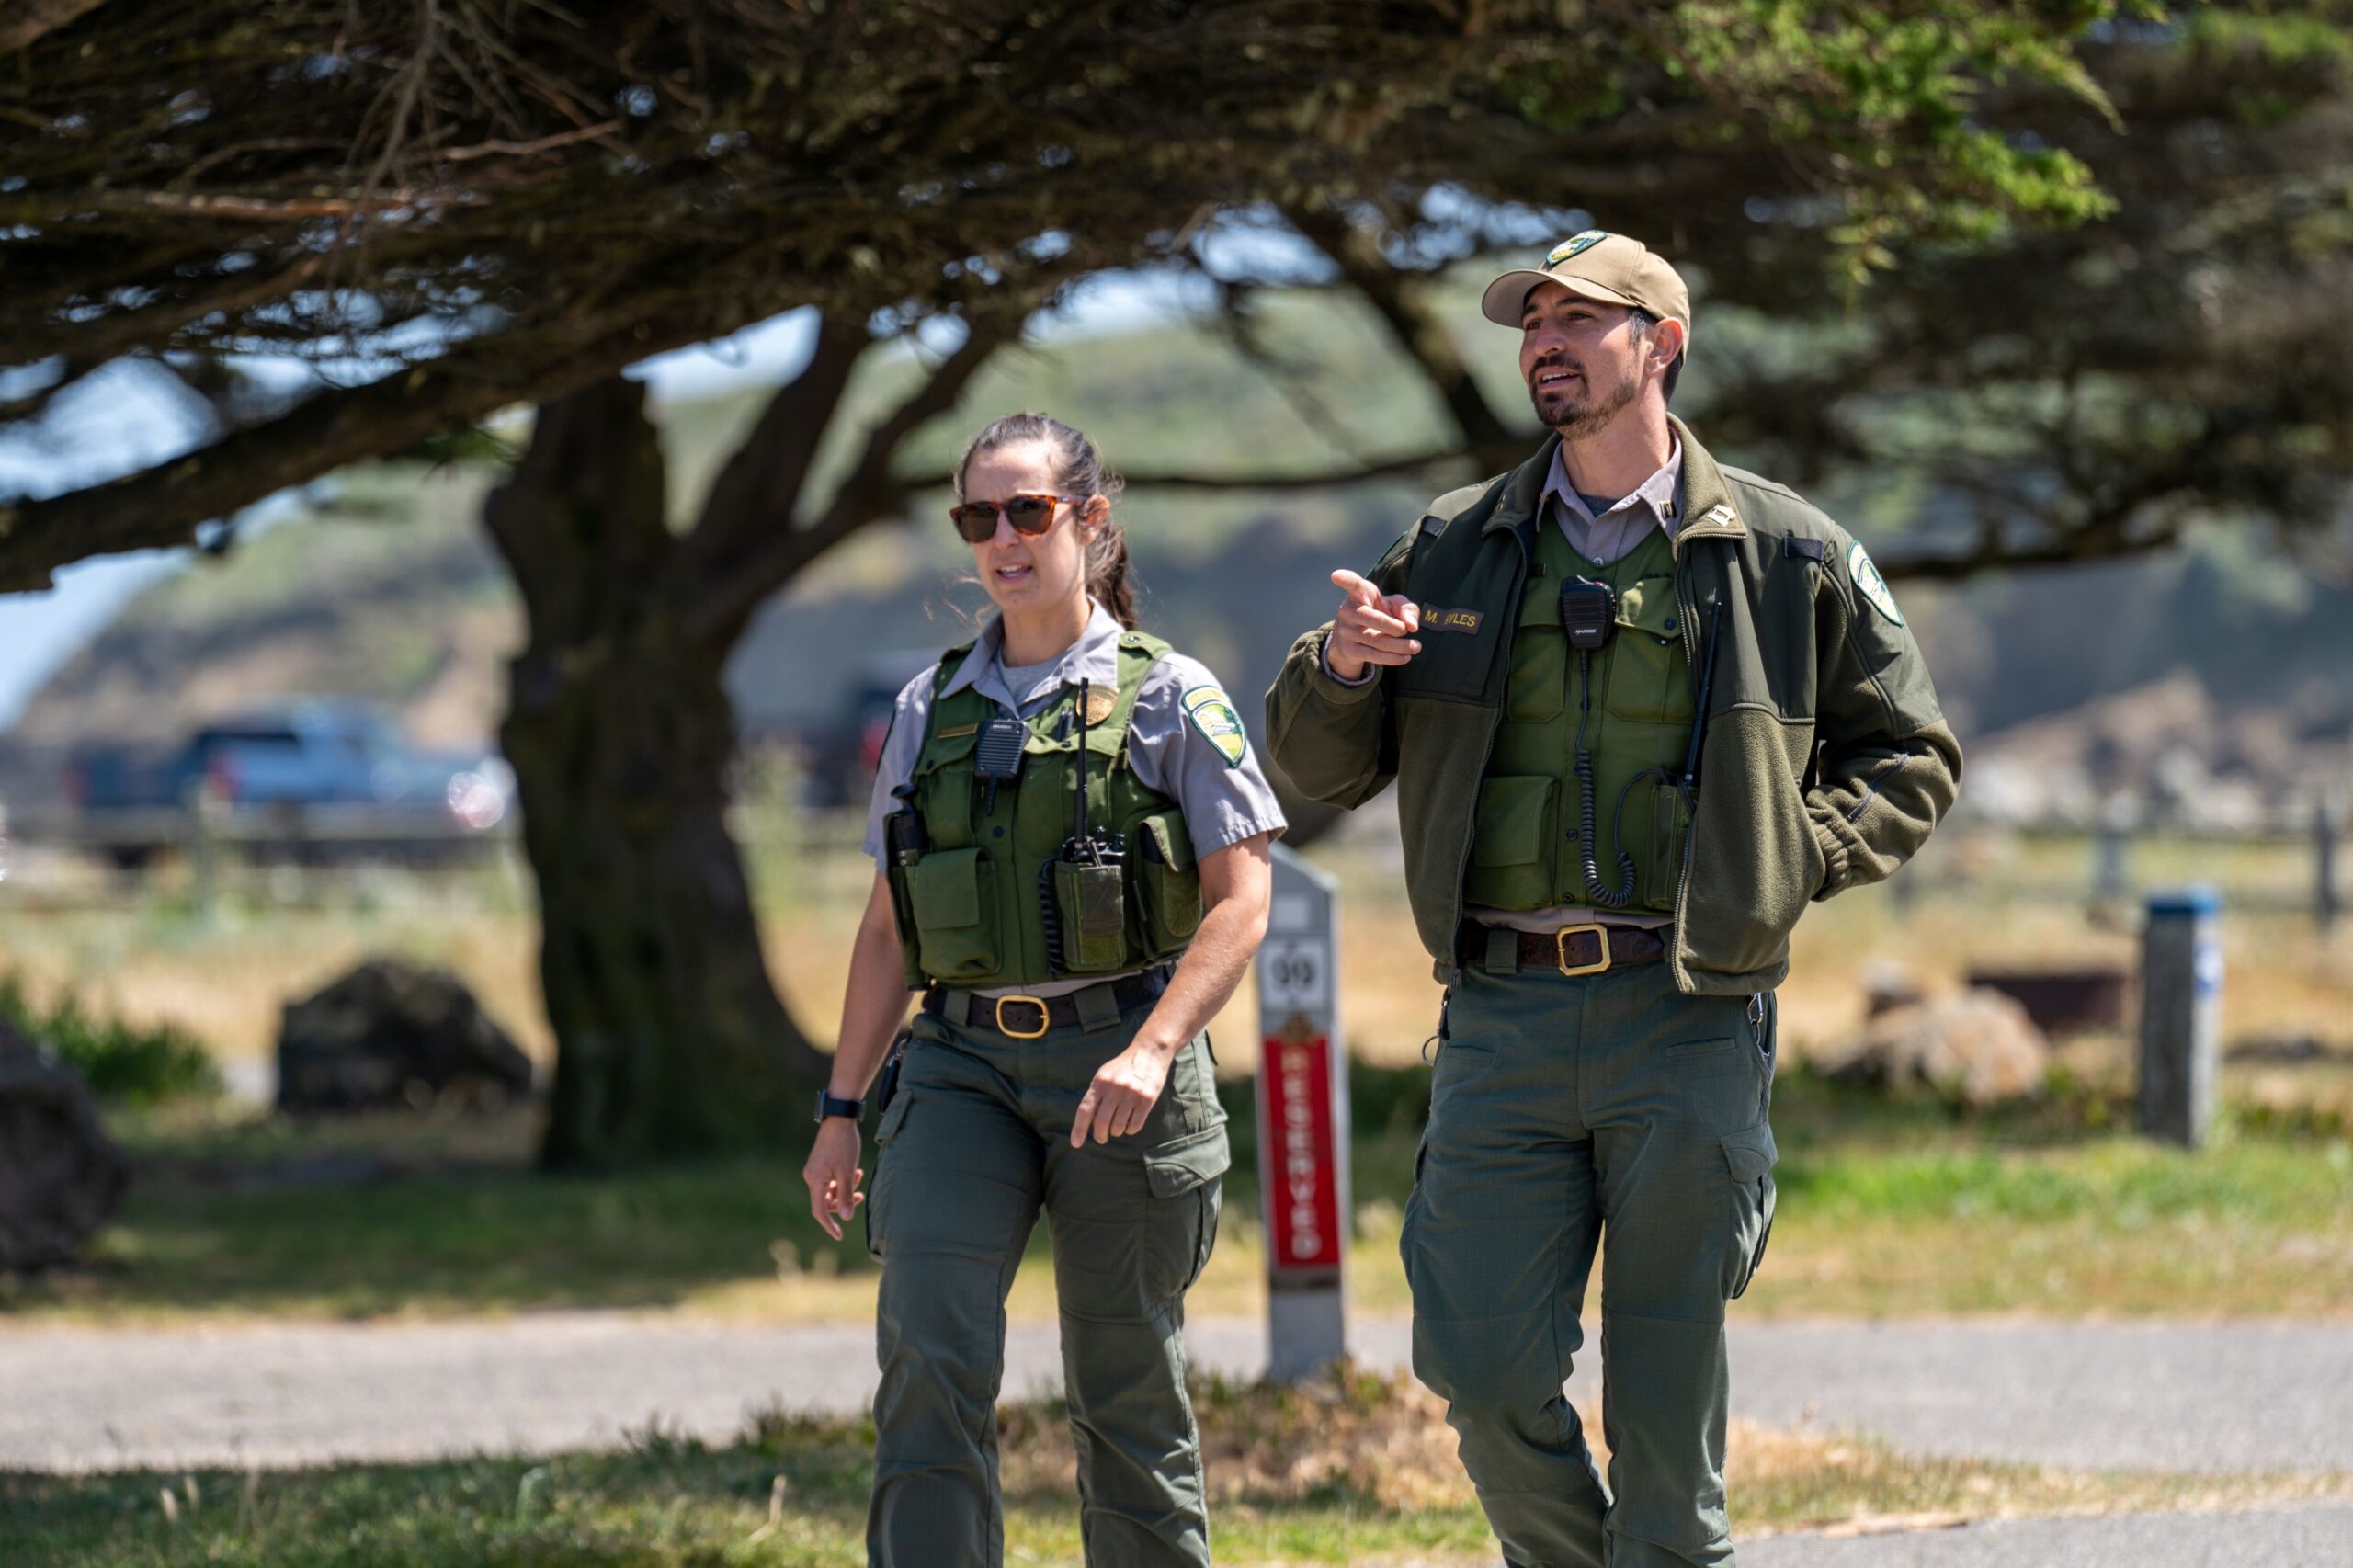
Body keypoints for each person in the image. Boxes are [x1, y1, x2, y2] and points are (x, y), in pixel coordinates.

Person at [1265, 232, 1961, 1567]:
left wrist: (1785, 858)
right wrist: (1344, 668)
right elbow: (1313, 767)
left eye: (1585, 318)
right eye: (1534, 321)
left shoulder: (1785, 549)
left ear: (1664, 345)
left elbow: (1912, 753)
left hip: (1684, 1017)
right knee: (1473, 1363)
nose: (1546, 340)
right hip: (1500, 1018)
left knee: (1663, 1412)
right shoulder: (1455, 547)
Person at [804, 411, 1286, 1568]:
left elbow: (1242, 896)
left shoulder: (1169, 692)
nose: (1004, 538)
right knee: (928, 1353)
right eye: (980, 516)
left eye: (1030, 510)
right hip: (961, 1066)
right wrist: (838, 1109)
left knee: (1125, 1381)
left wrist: (1157, 1045)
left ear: (1092, 520)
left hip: (1119, 1056)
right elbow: (888, 929)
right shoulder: (928, 709)